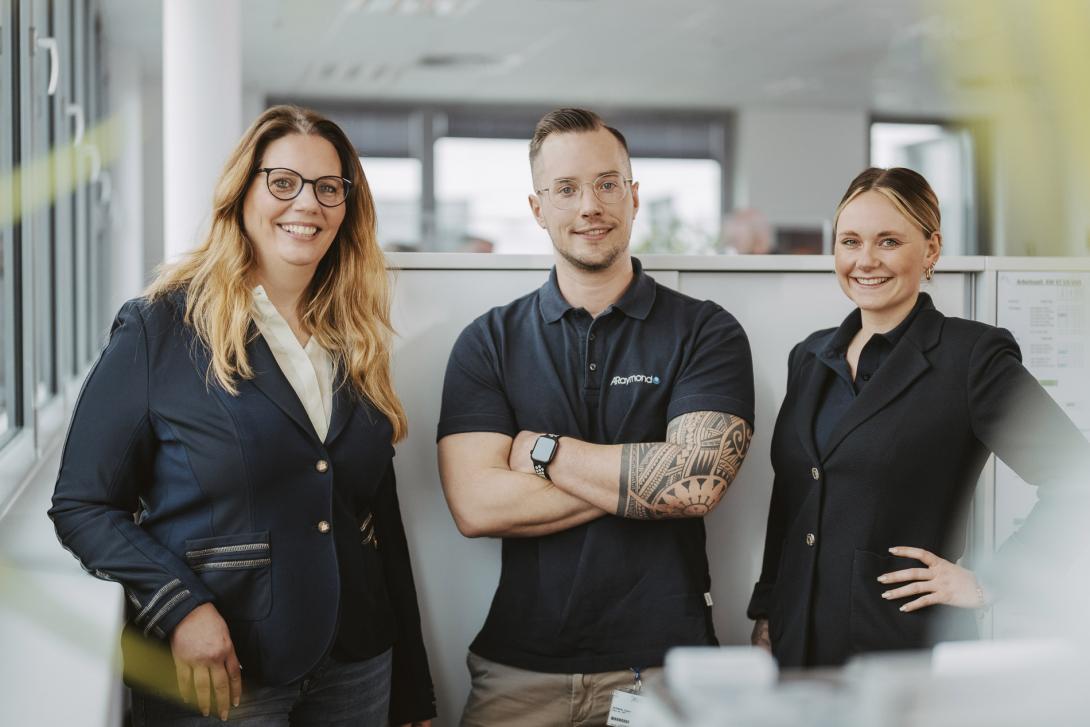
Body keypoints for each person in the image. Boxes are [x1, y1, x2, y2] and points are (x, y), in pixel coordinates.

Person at [50, 105, 435, 726]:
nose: (306, 204)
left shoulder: (355, 336)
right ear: (242, 192)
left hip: (359, 663)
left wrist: (415, 688)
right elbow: (83, 505)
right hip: (225, 668)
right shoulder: (162, 327)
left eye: (328, 187)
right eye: (283, 182)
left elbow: (377, 520)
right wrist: (181, 608)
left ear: (347, 206)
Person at [437, 107, 755, 726]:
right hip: (517, 672)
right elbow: (476, 507)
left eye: (608, 184)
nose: (590, 205)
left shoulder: (705, 331)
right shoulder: (489, 342)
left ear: (634, 197)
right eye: (566, 188)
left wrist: (544, 454)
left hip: (665, 668)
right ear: (538, 209)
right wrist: (642, 469)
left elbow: (695, 484)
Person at [747, 167, 1090, 667]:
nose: (865, 261)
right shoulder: (810, 355)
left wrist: (990, 583)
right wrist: (768, 610)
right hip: (798, 647)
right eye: (850, 241)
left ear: (930, 250)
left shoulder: (971, 357)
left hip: (904, 654)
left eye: (888, 241)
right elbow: (792, 499)